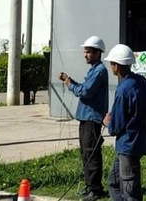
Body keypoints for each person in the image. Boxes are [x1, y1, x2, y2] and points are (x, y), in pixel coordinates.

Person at [59, 36, 109, 201]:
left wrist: (69, 84)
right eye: (84, 52)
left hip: (91, 119)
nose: (85, 55)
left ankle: (95, 190)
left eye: (88, 52)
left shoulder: (99, 71)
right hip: (86, 118)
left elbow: (86, 91)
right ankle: (90, 187)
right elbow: (84, 87)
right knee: (86, 153)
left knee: (91, 153)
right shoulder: (94, 70)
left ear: (98, 53)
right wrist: (70, 81)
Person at [103, 44, 146, 201]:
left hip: (127, 145)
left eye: (111, 63)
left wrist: (108, 122)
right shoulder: (142, 82)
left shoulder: (123, 90)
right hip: (138, 142)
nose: (111, 66)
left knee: (129, 190)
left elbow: (115, 126)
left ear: (116, 66)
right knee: (113, 182)